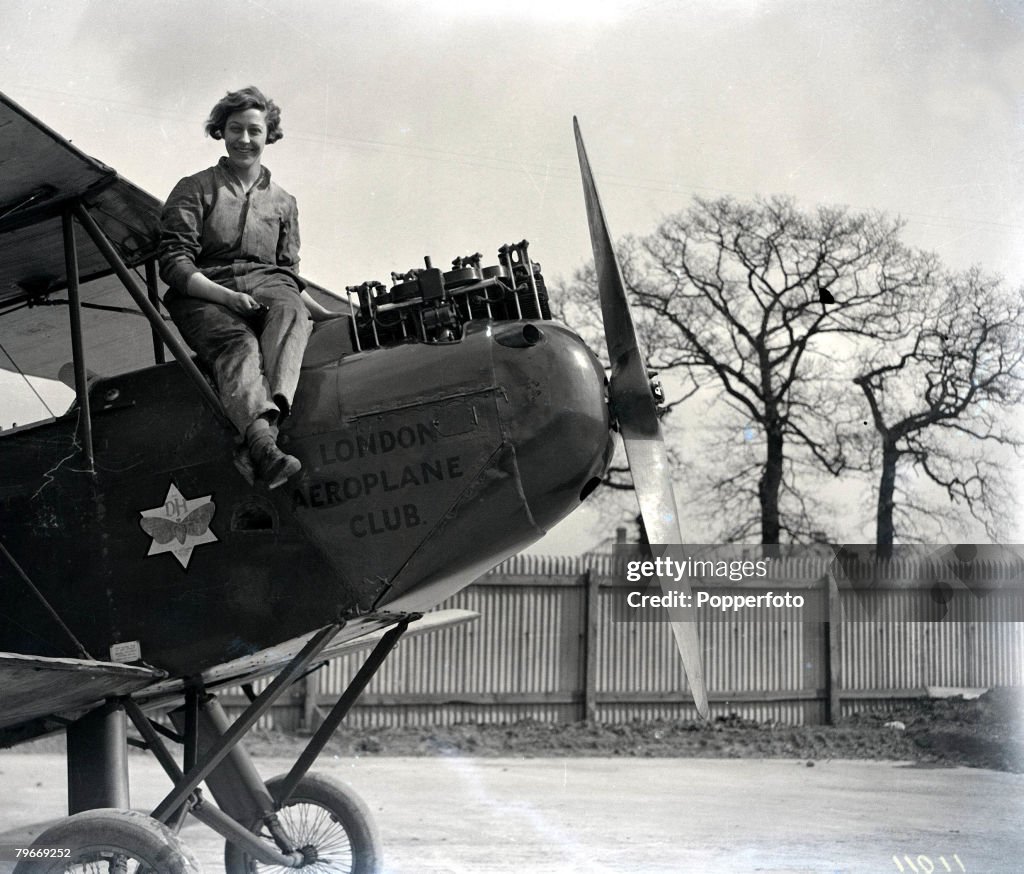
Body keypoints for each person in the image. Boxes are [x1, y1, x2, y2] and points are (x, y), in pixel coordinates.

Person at [158, 86, 338, 488]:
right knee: (239, 345)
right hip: (204, 292)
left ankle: (260, 441)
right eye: (235, 129)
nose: (244, 139)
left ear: (268, 134)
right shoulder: (194, 188)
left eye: (254, 131)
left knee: (292, 312)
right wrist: (226, 297)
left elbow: (289, 273)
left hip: (270, 287)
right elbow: (174, 263)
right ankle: (262, 442)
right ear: (220, 131)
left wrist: (324, 316)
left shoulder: (284, 202)